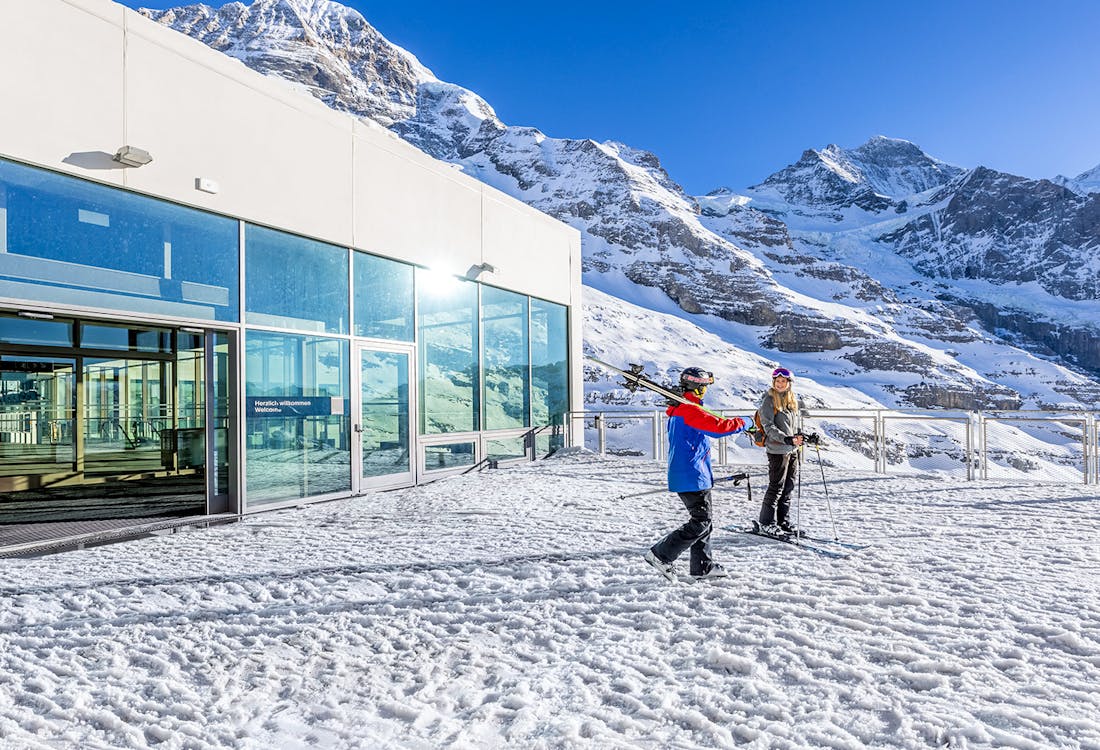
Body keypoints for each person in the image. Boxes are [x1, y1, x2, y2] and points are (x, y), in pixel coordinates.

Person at [644, 367, 751, 581]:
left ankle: (703, 566)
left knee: (705, 521)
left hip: (693, 472)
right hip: (692, 473)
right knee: (701, 521)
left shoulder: (681, 408)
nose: (706, 390)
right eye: (705, 387)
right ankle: (661, 555)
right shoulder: (689, 410)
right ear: (699, 388)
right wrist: (747, 422)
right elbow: (720, 428)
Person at [757, 366, 807, 535]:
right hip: (777, 450)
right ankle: (766, 523)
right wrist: (786, 439)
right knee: (776, 487)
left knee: (788, 487)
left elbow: (792, 426)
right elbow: (768, 426)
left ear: (789, 383)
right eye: (777, 381)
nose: (779, 384)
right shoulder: (769, 400)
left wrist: (800, 436)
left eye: (783, 381)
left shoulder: (791, 400)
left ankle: (782, 521)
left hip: (792, 449)